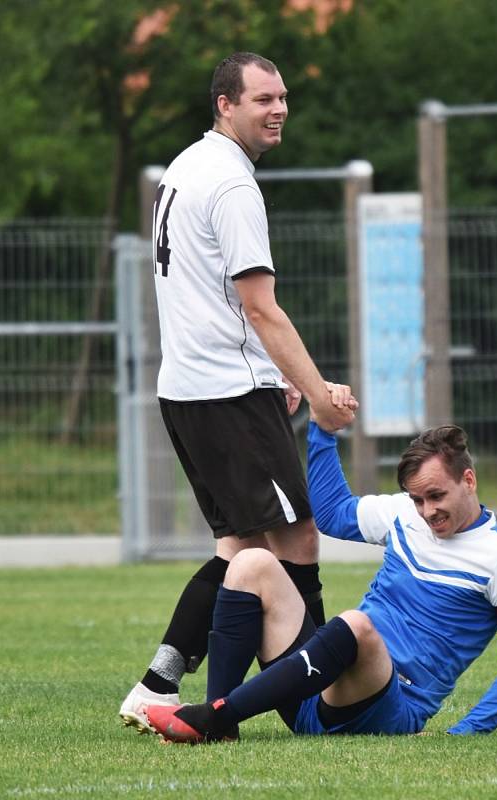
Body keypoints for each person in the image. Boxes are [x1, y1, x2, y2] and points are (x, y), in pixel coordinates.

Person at [120, 52, 356, 733]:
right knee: (296, 536)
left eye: (283, 96)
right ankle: (311, 694)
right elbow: (258, 306)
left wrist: (272, 369)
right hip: (225, 392)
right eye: (262, 99)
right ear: (225, 104)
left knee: (240, 549)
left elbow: (211, 295)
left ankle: (158, 683)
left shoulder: (186, 166)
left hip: (190, 388)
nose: (278, 108)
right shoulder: (230, 184)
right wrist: (314, 391)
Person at [146, 416, 497, 742]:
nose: (426, 511)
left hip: (388, 707)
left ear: (468, 481)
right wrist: (323, 429)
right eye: (418, 499)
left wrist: (464, 733)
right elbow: (333, 513)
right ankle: (221, 723)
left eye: (436, 496)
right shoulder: (403, 514)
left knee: (357, 624)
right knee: (251, 563)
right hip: (320, 688)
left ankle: (214, 715)